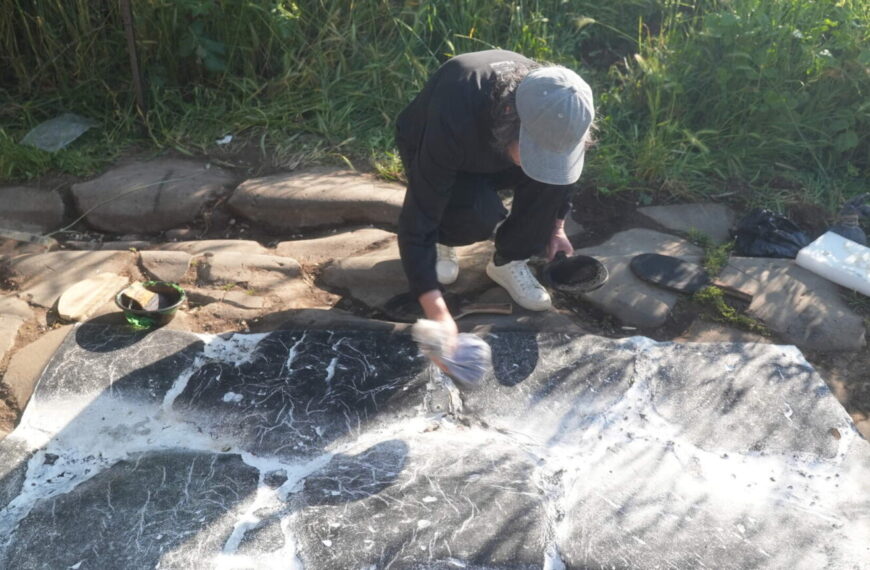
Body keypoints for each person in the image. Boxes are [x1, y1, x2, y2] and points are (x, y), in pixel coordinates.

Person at [396, 49, 594, 349]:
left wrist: (556, 228)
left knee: (548, 177)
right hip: (439, 147)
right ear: (508, 116)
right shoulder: (455, 110)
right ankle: (444, 239)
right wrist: (437, 313)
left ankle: (509, 260)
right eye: (533, 152)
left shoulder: (564, 107)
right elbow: (418, 216)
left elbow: (563, 177)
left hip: (498, 149)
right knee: (476, 217)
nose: (540, 162)